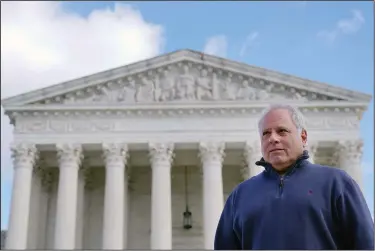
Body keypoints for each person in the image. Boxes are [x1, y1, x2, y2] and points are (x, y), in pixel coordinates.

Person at [214, 104, 374, 250]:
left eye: (282, 131)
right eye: (266, 133)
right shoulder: (240, 195)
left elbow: (366, 243)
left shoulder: (336, 183)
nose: (273, 138)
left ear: (303, 137)